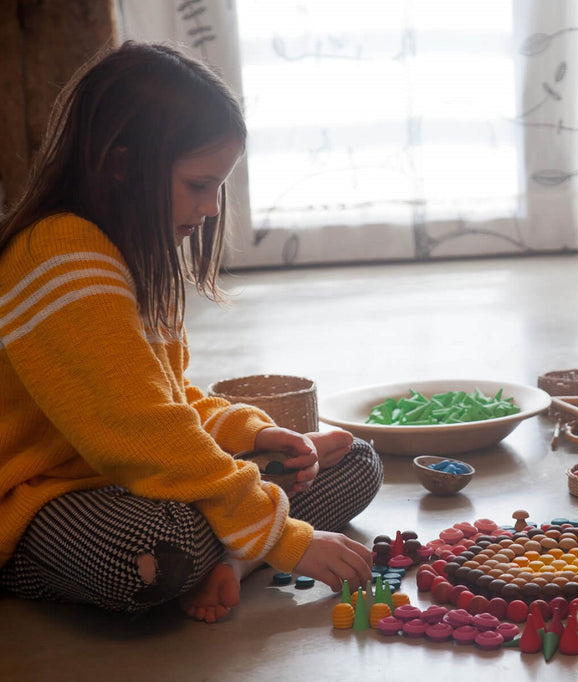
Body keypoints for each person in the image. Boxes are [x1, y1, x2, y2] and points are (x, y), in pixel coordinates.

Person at [0, 41, 383, 623]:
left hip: (127, 477)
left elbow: (169, 397)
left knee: (353, 458)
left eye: (217, 188)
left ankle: (235, 554)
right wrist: (288, 539)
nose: (209, 208)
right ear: (123, 164)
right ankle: (238, 547)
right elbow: (141, 428)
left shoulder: (133, 254)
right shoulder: (60, 253)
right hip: (35, 501)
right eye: (198, 184)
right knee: (157, 548)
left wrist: (252, 435)